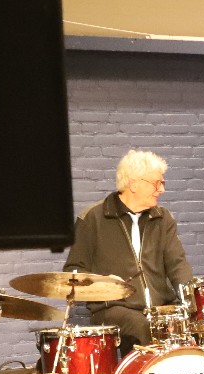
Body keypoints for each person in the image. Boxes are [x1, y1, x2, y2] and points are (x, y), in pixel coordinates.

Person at [64, 149, 193, 354]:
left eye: (162, 183)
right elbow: (73, 272)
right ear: (133, 184)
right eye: (156, 183)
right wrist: (103, 283)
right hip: (113, 308)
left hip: (159, 308)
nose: (161, 189)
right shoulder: (92, 219)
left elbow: (177, 264)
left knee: (196, 319)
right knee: (141, 325)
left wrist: (191, 301)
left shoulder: (163, 218)